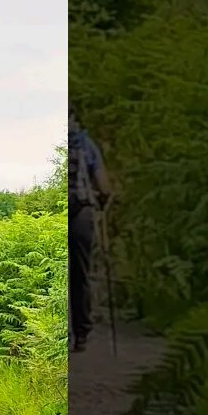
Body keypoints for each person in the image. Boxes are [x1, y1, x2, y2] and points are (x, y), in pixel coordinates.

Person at [68, 106, 112, 352]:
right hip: (81, 212)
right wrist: (103, 200)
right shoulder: (85, 143)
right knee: (80, 273)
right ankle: (81, 332)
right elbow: (103, 185)